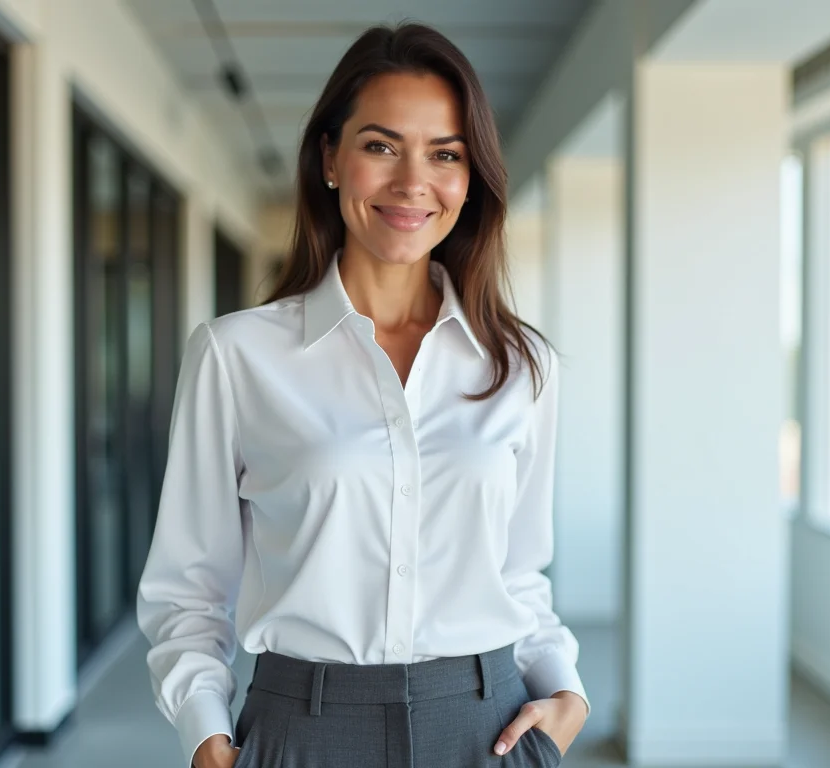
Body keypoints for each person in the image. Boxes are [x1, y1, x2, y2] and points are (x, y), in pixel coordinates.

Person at [137, 21, 589, 768]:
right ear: (330, 159)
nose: (414, 183)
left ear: (470, 178)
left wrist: (566, 697)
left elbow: (517, 575)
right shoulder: (237, 355)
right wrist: (209, 743)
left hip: (487, 727)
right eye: (382, 146)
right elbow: (188, 589)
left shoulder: (521, 364)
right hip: (303, 730)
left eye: (444, 154)